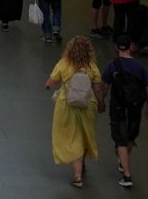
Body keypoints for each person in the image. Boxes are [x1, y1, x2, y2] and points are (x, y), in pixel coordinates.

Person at [44, 36, 103, 188]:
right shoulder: (92, 66)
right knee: (83, 135)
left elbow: (50, 83)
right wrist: (101, 103)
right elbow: (97, 88)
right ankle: (81, 164)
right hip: (88, 105)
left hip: (67, 105)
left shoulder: (64, 64)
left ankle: (77, 176)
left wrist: (49, 86)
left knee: (72, 136)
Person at [101, 36, 148, 188]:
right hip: (135, 107)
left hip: (118, 106)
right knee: (130, 135)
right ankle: (123, 162)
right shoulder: (139, 67)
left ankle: (127, 175)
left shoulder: (112, 66)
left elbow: (104, 86)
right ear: (130, 47)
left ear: (117, 47)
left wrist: (101, 102)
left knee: (120, 140)